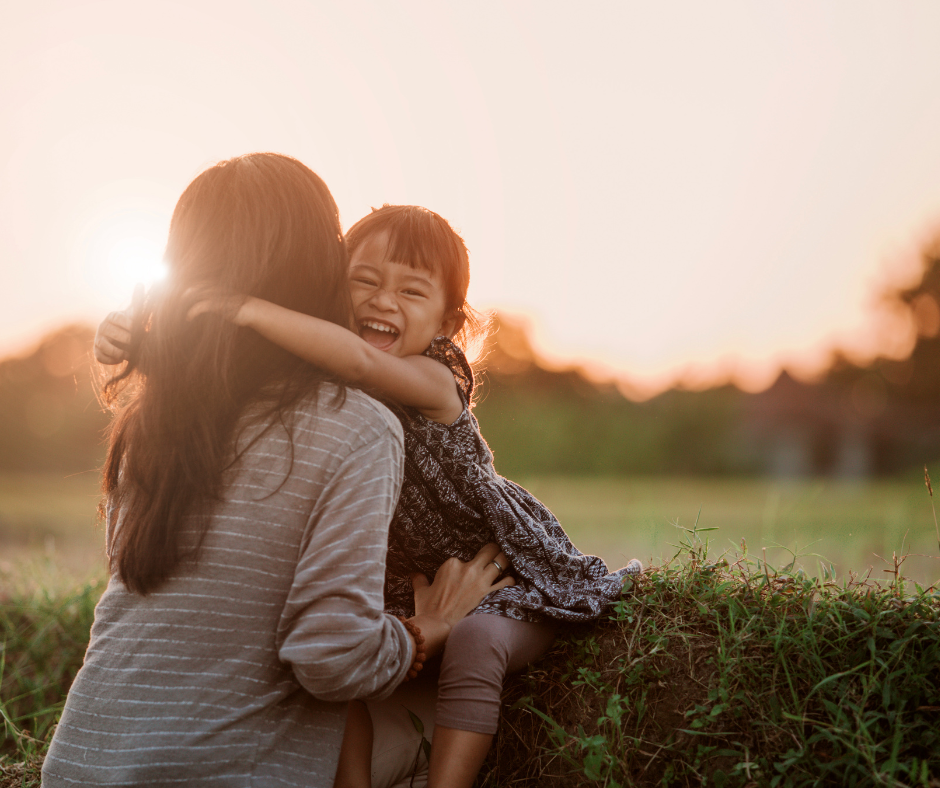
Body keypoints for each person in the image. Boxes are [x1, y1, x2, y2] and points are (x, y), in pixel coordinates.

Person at [99, 204, 642, 788]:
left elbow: (356, 359)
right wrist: (140, 341)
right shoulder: (321, 368)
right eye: (365, 280)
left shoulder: (435, 380)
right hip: (399, 588)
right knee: (335, 667)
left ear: (447, 325)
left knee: (478, 643)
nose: (384, 301)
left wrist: (246, 308)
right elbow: (236, 373)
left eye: (412, 290)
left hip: (498, 575)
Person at [42, 155, 514, 788]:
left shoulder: (153, 419)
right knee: (418, 723)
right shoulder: (355, 425)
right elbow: (330, 659)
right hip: (218, 774)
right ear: (321, 268)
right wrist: (432, 625)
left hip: (79, 765)